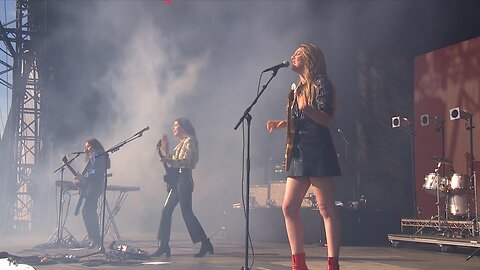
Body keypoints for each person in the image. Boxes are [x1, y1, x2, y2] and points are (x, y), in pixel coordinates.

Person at [266, 43, 342, 270]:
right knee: (288, 207)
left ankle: (333, 264)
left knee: (325, 208)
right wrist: (282, 124)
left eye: (299, 53)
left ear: (310, 59)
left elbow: (326, 119)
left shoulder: (321, 83)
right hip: (299, 151)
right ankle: (299, 264)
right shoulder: (297, 88)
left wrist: (307, 109)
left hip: (318, 148)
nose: (293, 56)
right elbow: (299, 119)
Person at [152, 117, 213, 258]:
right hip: (178, 180)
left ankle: (205, 243)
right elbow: (171, 162)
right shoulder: (180, 144)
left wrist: (168, 159)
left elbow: (186, 161)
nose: (173, 128)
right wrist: (165, 149)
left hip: (184, 179)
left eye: (176, 126)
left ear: (183, 128)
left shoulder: (189, 141)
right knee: (167, 210)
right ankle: (164, 245)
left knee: (187, 213)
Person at [63, 138, 110, 248]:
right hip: (91, 186)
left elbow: (98, 171)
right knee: (88, 211)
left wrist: (84, 176)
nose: (87, 149)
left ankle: (95, 239)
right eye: (86, 147)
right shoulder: (93, 157)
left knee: (87, 211)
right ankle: (94, 238)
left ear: (95, 146)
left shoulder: (100, 155)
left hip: (96, 186)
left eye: (89, 146)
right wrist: (82, 177)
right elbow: (90, 171)